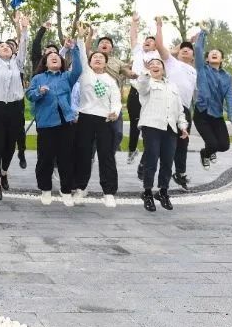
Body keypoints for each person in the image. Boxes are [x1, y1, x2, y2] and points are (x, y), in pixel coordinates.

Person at [26, 38, 82, 207]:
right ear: (45, 63)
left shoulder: (67, 77)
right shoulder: (38, 78)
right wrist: (39, 91)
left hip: (66, 122)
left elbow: (78, 69)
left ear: (61, 61)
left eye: (57, 56)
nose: (54, 57)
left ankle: (66, 191)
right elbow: (29, 95)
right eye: (50, 57)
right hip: (46, 123)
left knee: (66, 158)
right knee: (45, 158)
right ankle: (45, 189)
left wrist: (74, 49)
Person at [0, 10, 30, 200]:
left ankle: (4, 172)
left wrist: (24, 28)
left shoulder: (17, 63)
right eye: (1, 46)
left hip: (14, 108)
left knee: (10, 145)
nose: (5, 47)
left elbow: (24, 46)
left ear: (13, 51)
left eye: (8, 46)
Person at [73, 25, 122, 208]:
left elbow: (116, 101)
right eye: (95, 57)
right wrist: (80, 37)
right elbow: (81, 54)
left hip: (104, 120)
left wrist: (115, 112)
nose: (98, 59)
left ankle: (108, 192)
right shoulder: (85, 74)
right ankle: (80, 188)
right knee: (83, 154)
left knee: (106, 155)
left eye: (101, 58)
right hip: (85, 118)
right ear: (90, 61)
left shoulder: (110, 81)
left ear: (106, 63)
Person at [135, 58, 189, 212]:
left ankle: (163, 191)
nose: (155, 65)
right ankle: (147, 192)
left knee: (167, 161)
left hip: (170, 128)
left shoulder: (172, 86)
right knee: (151, 159)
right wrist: (146, 72)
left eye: (158, 64)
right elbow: (142, 87)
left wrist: (183, 126)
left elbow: (179, 110)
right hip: (151, 126)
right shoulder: (146, 82)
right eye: (151, 64)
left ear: (164, 69)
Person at [154, 16, 197, 190]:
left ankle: (180, 173)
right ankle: (154, 173)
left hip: (184, 110)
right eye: (183, 49)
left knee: (183, 142)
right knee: (165, 143)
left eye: (189, 49)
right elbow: (159, 45)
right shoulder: (172, 63)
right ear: (177, 53)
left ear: (193, 56)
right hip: (168, 106)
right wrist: (159, 26)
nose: (186, 50)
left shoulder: (194, 71)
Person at [193, 23, 232, 169]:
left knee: (224, 146)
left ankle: (209, 151)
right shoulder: (202, 69)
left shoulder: (227, 77)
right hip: (202, 112)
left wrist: (231, 114)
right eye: (211, 52)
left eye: (217, 53)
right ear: (207, 59)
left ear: (222, 59)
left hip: (217, 114)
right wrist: (203, 33)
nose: (214, 53)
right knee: (212, 143)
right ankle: (206, 153)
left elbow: (229, 96)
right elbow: (198, 49)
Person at [127, 13, 160, 164]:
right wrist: (134, 22)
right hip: (135, 90)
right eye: (146, 40)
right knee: (134, 123)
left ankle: (148, 157)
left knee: (148, 125)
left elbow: (165, 45)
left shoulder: (158, 54)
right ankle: (132, 149)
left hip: (150, 92)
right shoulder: (138, 51)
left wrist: (159, 26)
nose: (147, 41)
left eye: (151, 41)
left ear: (156, 45)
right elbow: (133, 37)